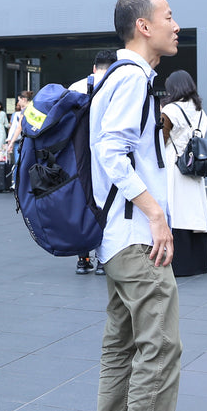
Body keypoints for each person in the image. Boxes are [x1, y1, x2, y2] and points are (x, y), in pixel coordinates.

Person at [88, 0, 187, 411]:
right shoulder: (129, 78)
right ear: (143, 26)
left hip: (112, 238)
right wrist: (155, 214)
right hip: (133, 238)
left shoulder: (114, 77)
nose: (176, 24)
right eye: (168, 15)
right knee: (161, 347)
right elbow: (111, 150)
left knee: (121, 344)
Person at [160, 70, 207, 277]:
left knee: (176, 210)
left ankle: (179, 263)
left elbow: (160, 139)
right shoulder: (200, 110)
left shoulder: (171, 110)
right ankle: (200, 263)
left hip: (174, 165)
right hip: (194, 167)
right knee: (194, 210)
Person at [72, 51, 118, 275]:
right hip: (108, 156)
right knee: (107, 205)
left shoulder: (75, 87)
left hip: (79, 158)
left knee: (83, 202)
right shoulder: (119, 87)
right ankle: (104, 260)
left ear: (94, 68)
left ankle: (83, 259)